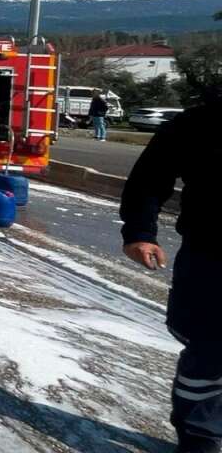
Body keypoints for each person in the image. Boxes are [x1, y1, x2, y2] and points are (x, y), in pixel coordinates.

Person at [119, 99, 222, 453]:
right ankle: (200, 437)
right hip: (211, 255)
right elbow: (150, 178)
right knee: (211, 348)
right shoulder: (203, 120)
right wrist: (139, 232)